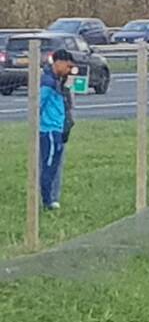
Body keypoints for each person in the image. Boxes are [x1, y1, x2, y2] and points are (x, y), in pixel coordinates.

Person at [40, 49, 75, 210]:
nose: (69, 70)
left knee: (54, 165)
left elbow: (68, 103)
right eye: (68, 66)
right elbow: (39, 104)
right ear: (58, 63)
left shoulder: (58, 81)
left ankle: (50, 198)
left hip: (58, 128)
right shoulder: (48, 82)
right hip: (49, 129)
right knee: (48, 165)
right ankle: (47, 200)